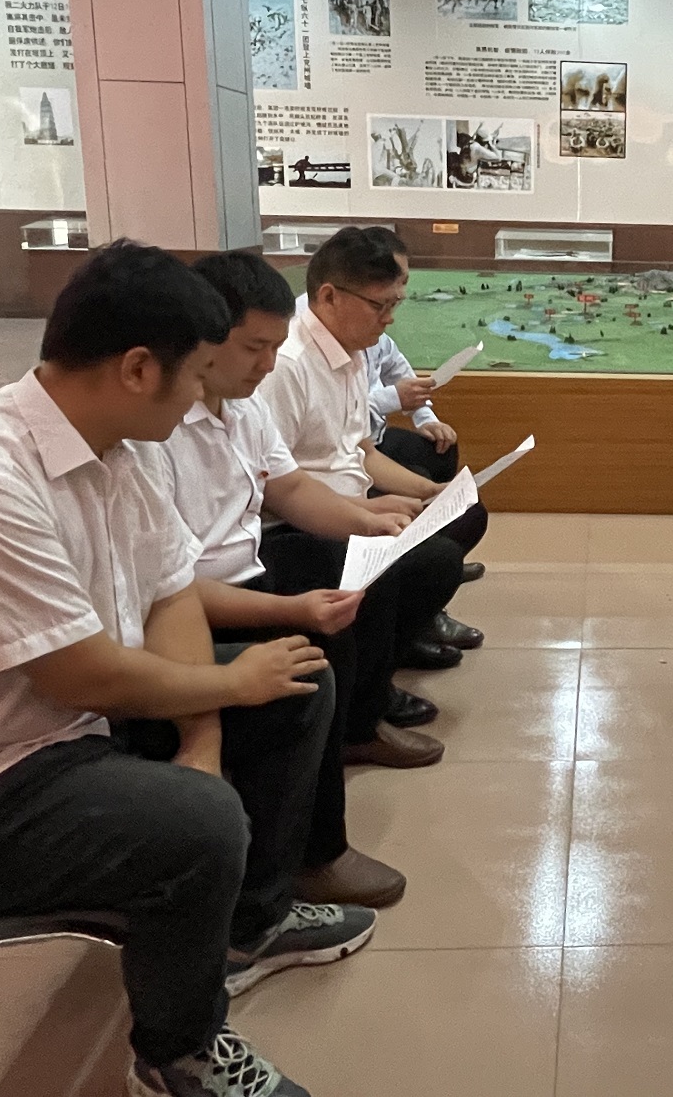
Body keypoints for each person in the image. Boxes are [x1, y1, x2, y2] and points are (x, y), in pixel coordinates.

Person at [0, 241, 374, 1097]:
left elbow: (170, 598)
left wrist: (202, 743)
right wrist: (227, 693)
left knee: (298, 687)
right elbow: (79, 677)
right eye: (198, 375)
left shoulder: (123, 446)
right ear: (137, 368)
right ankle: (178, 1049)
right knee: (198, 818)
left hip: (65, 733)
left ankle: (252, 924)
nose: (204, 398)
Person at [140, 253, 452, 904]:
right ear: (200, 340)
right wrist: (293, 609)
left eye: (273, 347)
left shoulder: (241, 405)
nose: (266, 363)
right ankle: (309, 859)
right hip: (193, 606)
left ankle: (349, 749)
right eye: (253, 348)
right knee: (310, 669)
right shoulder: (153, 431)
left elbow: (292, 488)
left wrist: (371, 521)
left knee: (360, 586)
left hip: (244, 576)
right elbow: (164, 590)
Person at [258, 226, 485, 670]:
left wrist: (431, 493)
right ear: (329, 297)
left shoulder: (353, 350)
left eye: (395, 304)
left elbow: (365, 452)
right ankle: (374, 690)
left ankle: (399, 642)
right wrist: (364, 515)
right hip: (295, 525)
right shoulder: (287, 366)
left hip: (343, 503)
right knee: (429, 559)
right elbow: (277, 490)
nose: (389, 319)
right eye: (380, 305)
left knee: (463, 513)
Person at [353, 227, 486, 583]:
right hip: (352, 465)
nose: (399, 296)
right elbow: (346, 430)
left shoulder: (370, 326)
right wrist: (394, 398)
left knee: (440, 447)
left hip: (369, 443)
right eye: (394, 284)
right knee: (427, 487)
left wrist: (424, 417)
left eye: (403, 284)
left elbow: (397, 368)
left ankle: (441, 561)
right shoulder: (310, 349)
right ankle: (431, 564)